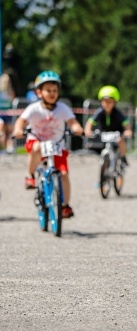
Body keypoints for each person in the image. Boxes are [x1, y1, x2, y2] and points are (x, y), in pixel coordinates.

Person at [12, 70, 84, 219]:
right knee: (36, 147)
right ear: (39, 92)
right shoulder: (34, 108)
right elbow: (22, 120)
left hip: (57, 145)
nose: (52, 93)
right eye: (48, 90)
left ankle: (65, 205)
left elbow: (72, 121)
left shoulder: (62, 108)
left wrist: (76, 128)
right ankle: (29, 175)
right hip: (37, 140)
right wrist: (18, 129)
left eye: (55, 90)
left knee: (63, 173)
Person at [84, 85, 133, 166]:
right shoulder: (100, 112)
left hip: (117, 133)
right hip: (104, 133)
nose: (107, 104)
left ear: (114, 102)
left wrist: (128, 131)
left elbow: (126, 123)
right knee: (104, 150)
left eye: (110, 101)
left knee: (120, 141)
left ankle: (123, 157)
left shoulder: (117, 113)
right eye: (105, 101)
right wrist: (87, 130)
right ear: (101, 102)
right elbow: (90, 122)